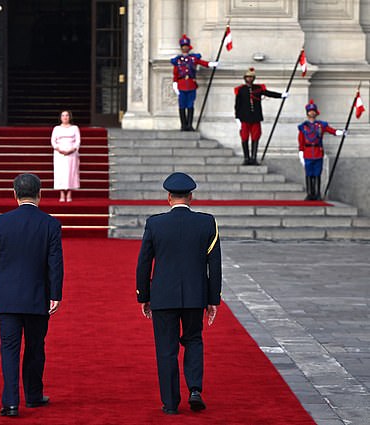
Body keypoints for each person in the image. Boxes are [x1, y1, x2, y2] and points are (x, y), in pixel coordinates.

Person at [136, 172, 222, 416]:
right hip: (196, 295)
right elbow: (214, 263)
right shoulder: (207, 222)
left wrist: (144, 295)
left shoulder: (155, 223)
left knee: (166, 349)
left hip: (163, 296)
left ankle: (171, 403)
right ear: (191, 197)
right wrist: (213, 299)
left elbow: (144, 262)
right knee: (194, 340)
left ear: (168, 198)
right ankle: (194, 389)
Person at [0, 173, 64, 417]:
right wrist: (56, 293)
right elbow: (55, 263)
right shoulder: (50, 224)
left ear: (14, 194)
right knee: (35, 346)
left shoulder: (0, 222)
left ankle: (10, 402)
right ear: (40, 195)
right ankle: (34, 395)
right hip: (38, 295)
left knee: (9, 348)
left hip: (6, 296)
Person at [234, 67, 288, 165]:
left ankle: (254, 158)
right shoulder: (241, 90)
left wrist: (281, 95)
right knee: (244, 137)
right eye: (248, 77)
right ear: (245, 78)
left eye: (251, 77)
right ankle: (246, 158)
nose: (249, 79)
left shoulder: (258, 89)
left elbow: (268, 93)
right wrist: (237, 118)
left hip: (255, 117)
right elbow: (237, 105)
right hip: (244, 118)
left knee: (256, 137)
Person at [297, 100, 345, 201]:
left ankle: (318, 194)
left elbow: (331, 130)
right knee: (309, 173)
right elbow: (301, 141)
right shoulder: (303, 127)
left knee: (317, 173)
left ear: (316, 113)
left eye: (313, 111)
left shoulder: (321, 125)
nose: (312, 113)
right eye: (310, 111)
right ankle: (310, 193)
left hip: (318, 152)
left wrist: (340, 132)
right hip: (308, 152)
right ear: (307, 113)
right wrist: (301, 153)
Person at [171, 34, 218, 131]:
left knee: (190, 105)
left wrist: (210, 64)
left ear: (189, 47)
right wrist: (175, 84)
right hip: (181, 84)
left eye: (186, 46)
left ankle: (189, 125)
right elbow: (175, 73)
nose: (185, 48)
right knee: (182, 105)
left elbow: (202, 63)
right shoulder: (178, 60)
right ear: (181, 48)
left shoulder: (193, 59)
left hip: (191, 84)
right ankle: (183, 125)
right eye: (183, 47)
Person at [51, 110, 80, 202]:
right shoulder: (56, 128)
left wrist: (72, 149)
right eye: (63, 115)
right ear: (60, 117)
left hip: (71, 153)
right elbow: (53, 141)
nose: (65, 117)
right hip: (59, 153)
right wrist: (59, 149)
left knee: (71, 173)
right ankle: (62, 193)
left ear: (69, 117)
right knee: (60, 173)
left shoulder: (75, 128)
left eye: (67, 115)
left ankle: (69, 193)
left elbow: (78, 141)